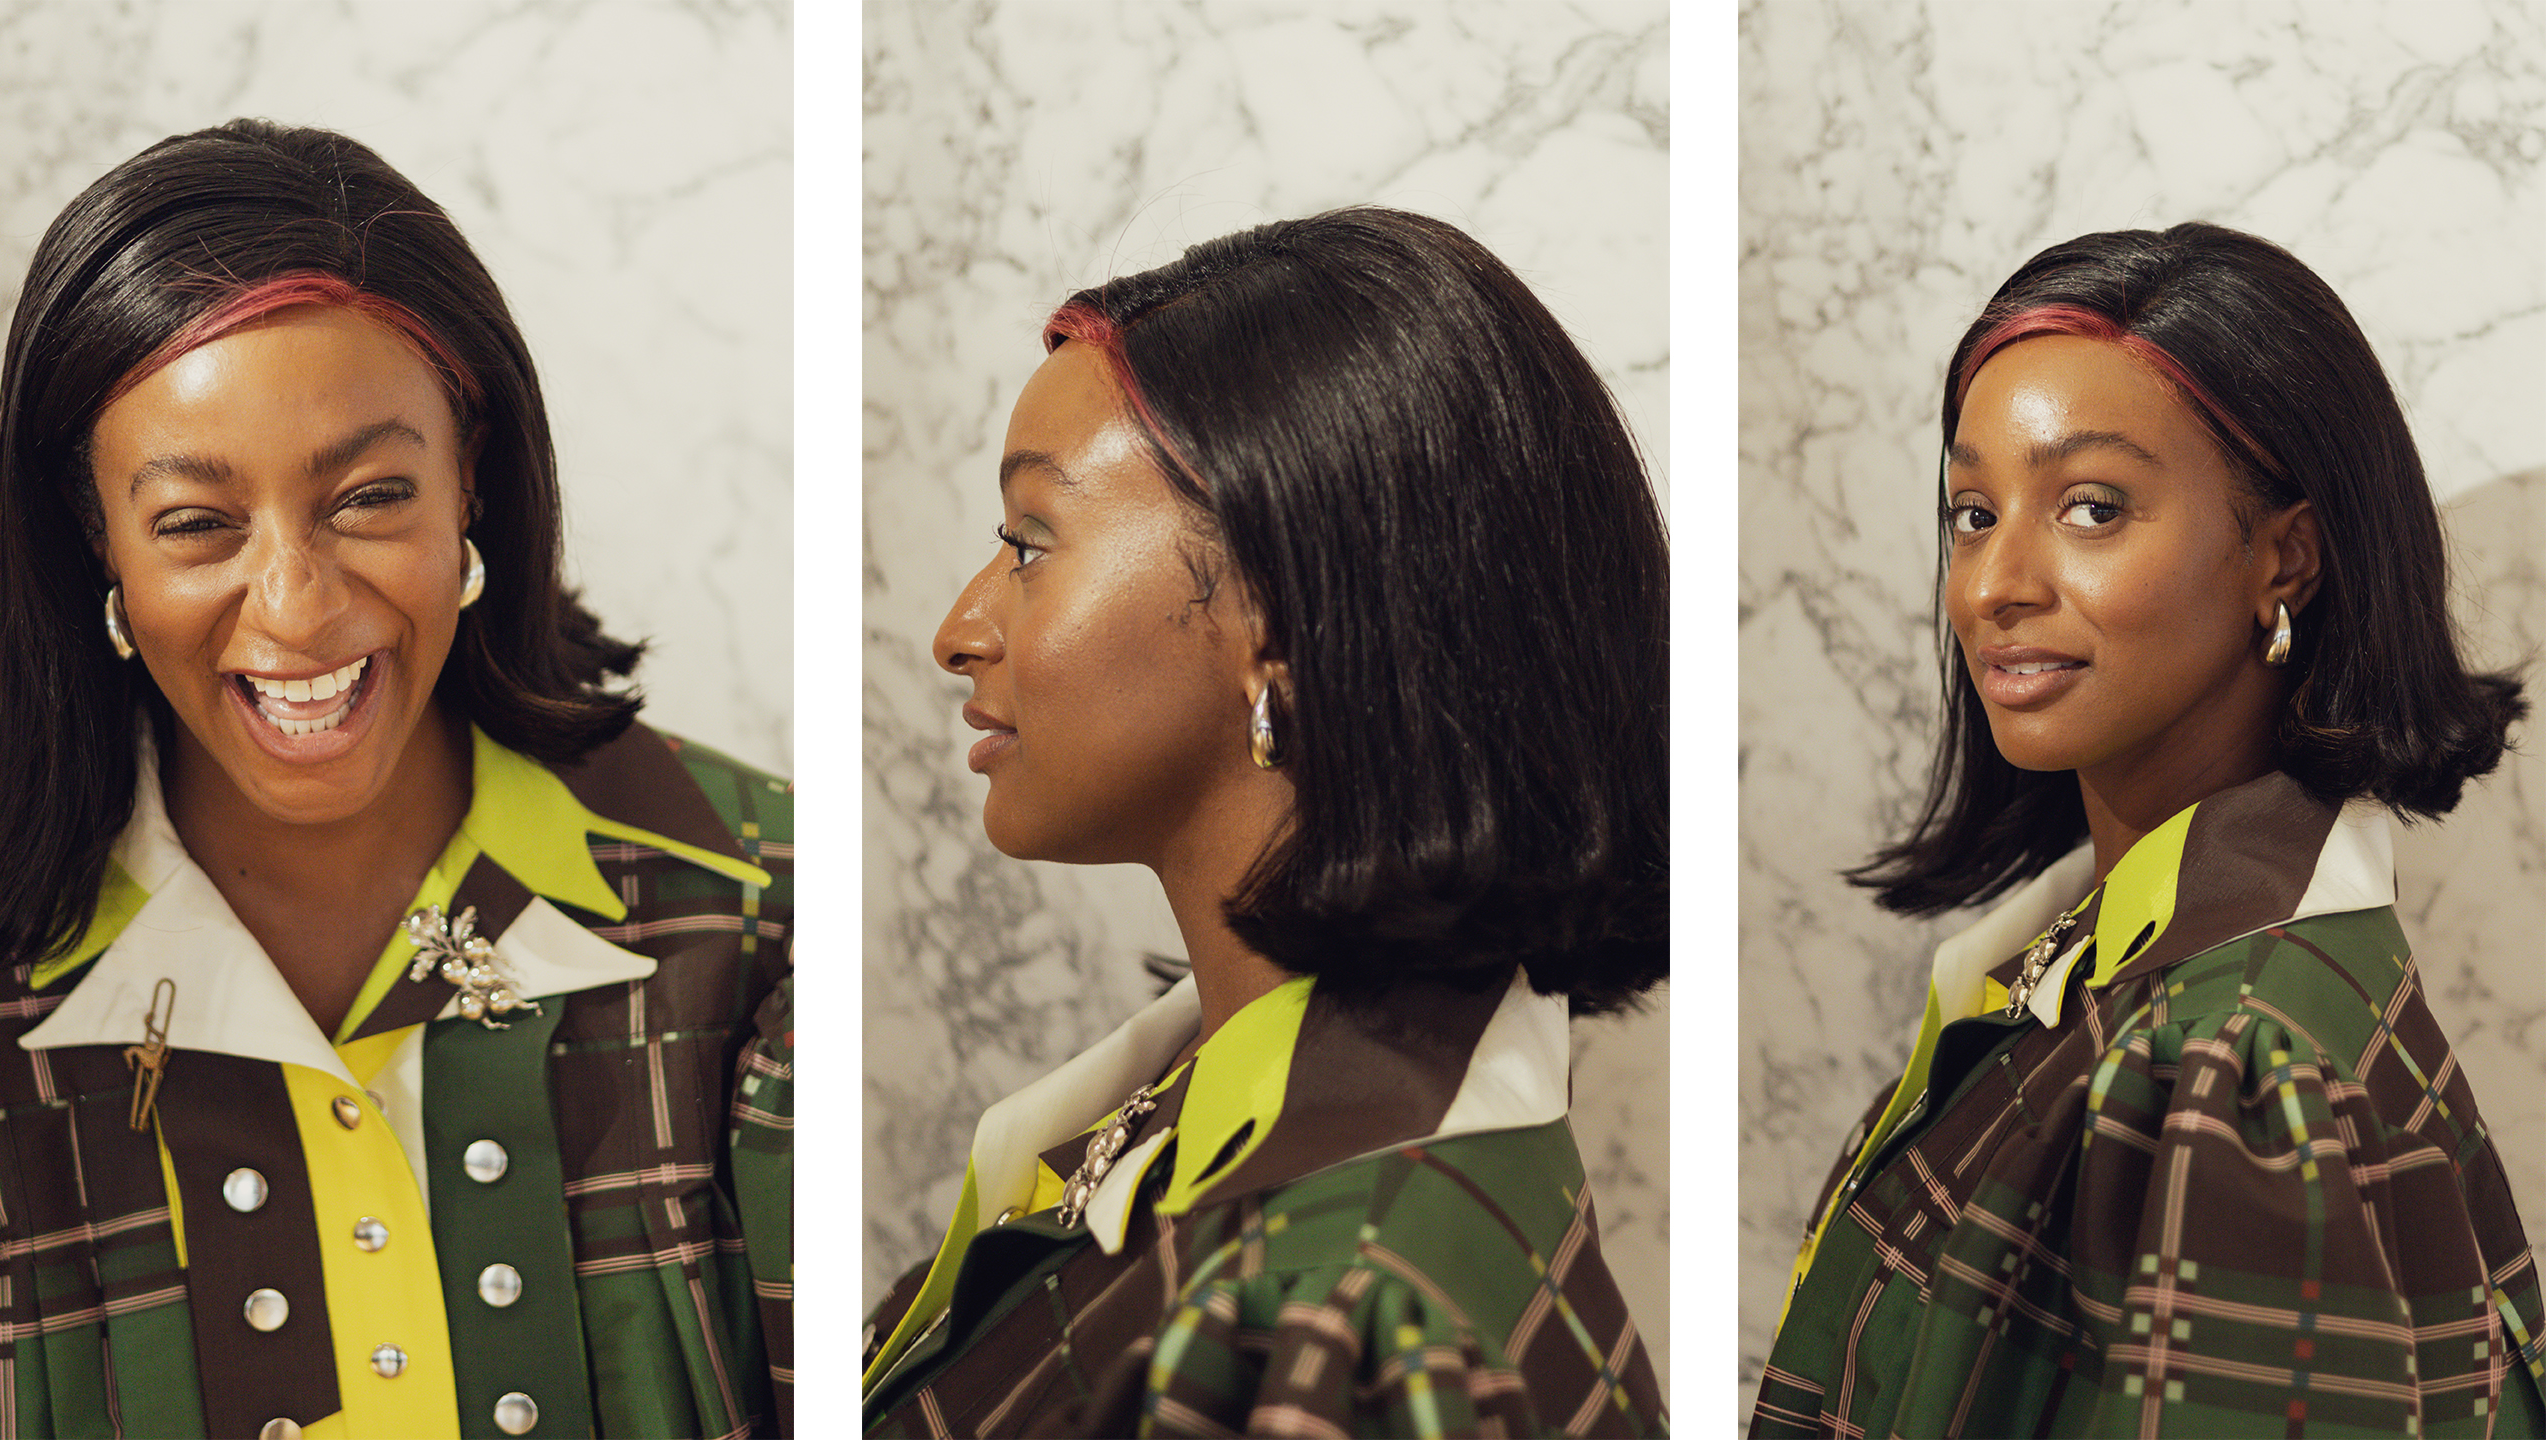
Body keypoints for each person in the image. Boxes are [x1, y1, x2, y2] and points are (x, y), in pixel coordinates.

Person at [0, 120, 792, 1439]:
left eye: (369, 497)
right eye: (196, 524)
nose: (297, 609)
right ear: (98, 545)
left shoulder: (763, 912)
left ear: (470, 477)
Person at [861, 208, 1670, 1438]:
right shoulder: (1212, 1108)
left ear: (1282, 626)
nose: (959, 629)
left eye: (1030, 543)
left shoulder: (1333, 1325)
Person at [1752, 223, 2546, 1437]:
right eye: (1971, 511)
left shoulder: (2239, 1073)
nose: (1993, 583)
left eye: (2091, 506)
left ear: (2283, 558)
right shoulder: (2093, 962)